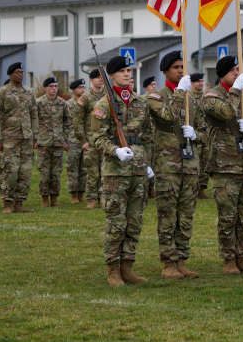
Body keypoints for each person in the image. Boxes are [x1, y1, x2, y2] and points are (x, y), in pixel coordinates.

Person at [89, 55, 155, 286]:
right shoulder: (104, 104)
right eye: (123, 71)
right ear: (113, 75)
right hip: (115, 172)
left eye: (130, 70)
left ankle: (128, 267)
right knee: (116, 221)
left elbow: (146, 136)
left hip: (137, 169)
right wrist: (114, 149)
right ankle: (113, 270)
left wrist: (146, 162)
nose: (128, 74)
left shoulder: (139, 102)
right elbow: (97, 137)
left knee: (134, 220)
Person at [202, 55, 243, 275]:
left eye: (239, 70)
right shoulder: (211, 97)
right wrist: (236, 92)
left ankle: (242, 257)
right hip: (224, 166)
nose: (238, 74)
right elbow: (226, 112)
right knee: (228, 217)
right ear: (222, 74)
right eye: (233, 71)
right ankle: (229, 259)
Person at [145, 51, 201, 280]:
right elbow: (168, 116)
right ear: (165, 70)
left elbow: (205, 130)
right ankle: (168, 262)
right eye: (176, 67)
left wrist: (196, 135)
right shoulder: (155, 97)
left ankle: (182, 259)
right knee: (168, 214)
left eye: (182, 66)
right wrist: (180, 93)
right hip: (168, 164)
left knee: (186, 215)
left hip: (189, 163)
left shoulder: (192, 99)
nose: (181, 70)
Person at [0, 62, 38, 214]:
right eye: (17, 72)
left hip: (26, 138)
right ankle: (7, 203)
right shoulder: (2, 92)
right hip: (9, 138)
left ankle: (19, 203)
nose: (20, 75)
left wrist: (35, 135)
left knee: (25, 171)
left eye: (22, 72)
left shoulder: (29, 92)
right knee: (11, 171)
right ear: (10, 75)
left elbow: (34, 115)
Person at [35, 77, 70, 207]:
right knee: (44, 172)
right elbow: (34, 121)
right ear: (45, 88)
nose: (53, 89)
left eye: (55, 86)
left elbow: (67, 121)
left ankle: (54, 198)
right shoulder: (38, 103)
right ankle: (44, 198)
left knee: (56, 172)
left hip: (58, 143)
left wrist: (64, 138)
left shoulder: (62, 103)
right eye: (50, 86)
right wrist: (35, 138)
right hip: (43, 143)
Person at [77, 69, 108, 208]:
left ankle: (104, 197)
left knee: (105, 169)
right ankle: (91, 199)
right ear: (91, 80)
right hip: (91, 139)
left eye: (102, 77)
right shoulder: (85, 97)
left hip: (105, 138)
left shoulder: (108, 95)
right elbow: (77, 120)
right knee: (92, 171)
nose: (100, 80)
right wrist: (82, 141)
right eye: (97, 77)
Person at [189, 72, 212, 199]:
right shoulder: (189, 97)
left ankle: (201, 188)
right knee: (195, 162)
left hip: (206, 134)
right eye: (198, 81)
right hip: (194, 134)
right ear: (192, 83)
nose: (200, 83)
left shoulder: (205, 98)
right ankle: (193, 188)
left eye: (202, 81)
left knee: (205, 161)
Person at [65, 79, 87, 203]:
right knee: (73, 168)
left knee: (84, 169)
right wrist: (65, 140)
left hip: (85, 139)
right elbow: (65, 123)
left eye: (83, 87)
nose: (82, 90)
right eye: (80, 87)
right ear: (73, 90)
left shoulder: (86, 103)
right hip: (72, 139)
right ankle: (73, 195)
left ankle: (81, 194)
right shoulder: (68, 105)